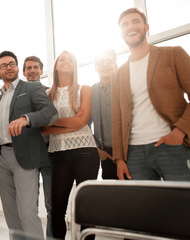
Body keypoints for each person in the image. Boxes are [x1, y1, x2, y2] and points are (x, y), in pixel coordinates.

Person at [112, 8, 190, 180]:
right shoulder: (118, 74)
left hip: (172, 146)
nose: (130, 26)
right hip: (134, 153)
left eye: (135, 21)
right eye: (125, 24)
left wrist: (181, 131)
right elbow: (117, 118)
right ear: (121, 33)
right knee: (146, 206)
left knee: (183, 203)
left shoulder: (174, 54)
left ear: (146, 27)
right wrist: (119, 159)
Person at [0, 51, 58, 237]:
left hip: (24, 156)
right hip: (1, 158)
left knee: (27, 212)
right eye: (4, 65)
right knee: (11, 215)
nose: (9, 67)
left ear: (18, 68)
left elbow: (51, 113)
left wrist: (26, 119)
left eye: (12, 63)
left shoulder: (31, 88)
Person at [42, 51, 99, 240]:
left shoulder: (85, 89)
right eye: (62, 59)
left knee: (86, 205)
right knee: (57, 207)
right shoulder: (46, 95)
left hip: (85, 152)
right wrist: (70, 122)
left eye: (70, 60)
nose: (66, 62)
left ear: (74, 67)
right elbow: (42, 128)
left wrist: (54, 123)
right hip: (58, 154)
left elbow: (81, 122)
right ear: (56, 66)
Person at [23, 56, 53, 238]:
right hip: (29, 154)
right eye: (29, 68)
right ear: (24, 72)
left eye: (36, 67)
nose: (32, 70)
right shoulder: (20, 95)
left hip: (50, 153)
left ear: (42, 71)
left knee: (52, 203)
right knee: (29, 203)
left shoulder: (52, 93)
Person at [88, 50, 118, 179]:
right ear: (95, 67)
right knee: (112, 195)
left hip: (130, 149)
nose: (105, 65)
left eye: (109, 61)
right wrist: (97, 150)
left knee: (134, 193)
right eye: (101, 62)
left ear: (115, 64)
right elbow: (85, 124)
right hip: (105, 152)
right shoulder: (90, 91)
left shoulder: (125, 86)